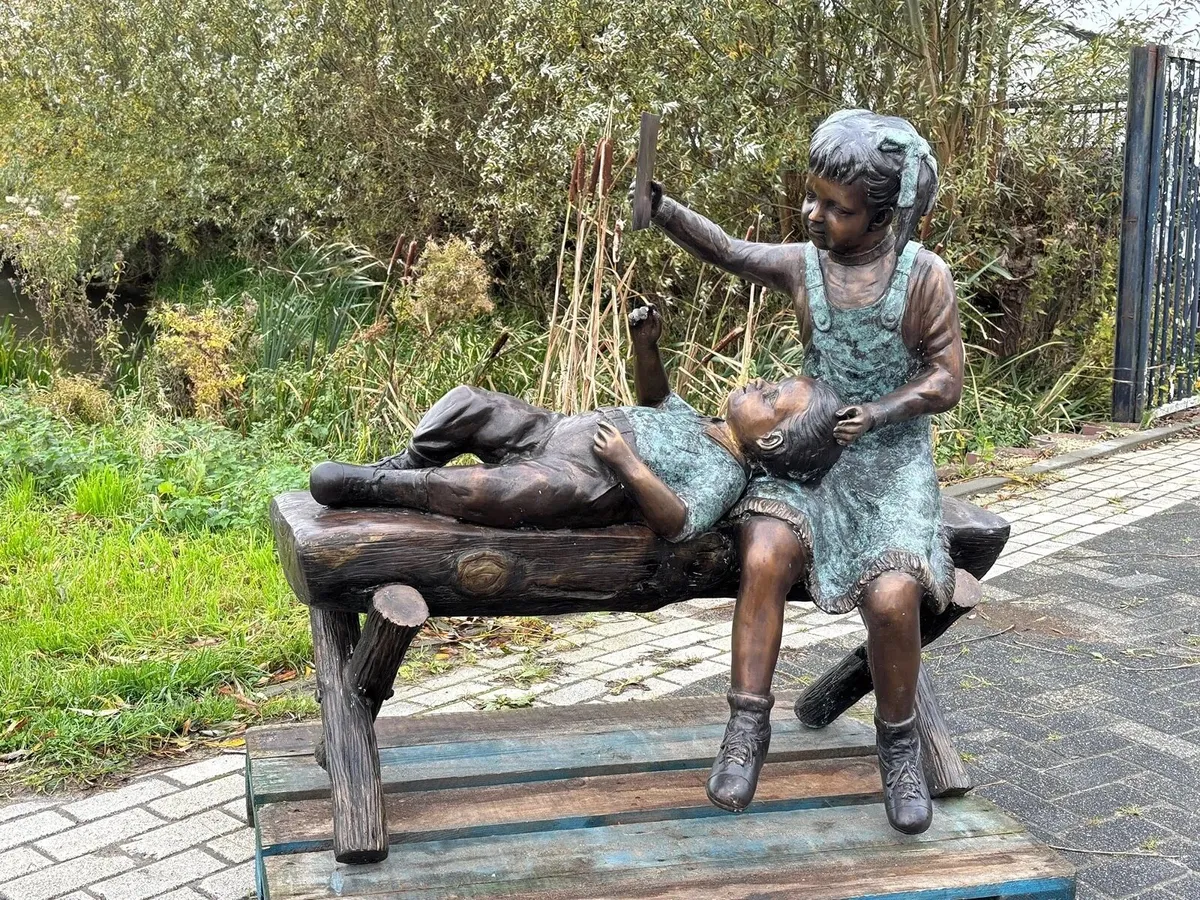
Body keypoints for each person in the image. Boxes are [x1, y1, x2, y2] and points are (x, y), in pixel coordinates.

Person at [641, 109, 964, 834]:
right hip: (810, 453)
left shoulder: (923, 278)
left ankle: (899, 747)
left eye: (836, 208)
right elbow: (728, 251)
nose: (814, 215)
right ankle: (746, 728)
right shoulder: (804, 265)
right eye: (812, 197)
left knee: (893, 597)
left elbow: (946, 379)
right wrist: (663, 209)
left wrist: (880, 411)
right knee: (764, 553)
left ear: (883, 215)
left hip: (889, 463)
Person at [309, 304, 845, 546]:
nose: (759, 382)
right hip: (558, 429)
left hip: (589, 478)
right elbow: (657, 398)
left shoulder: (726, 473)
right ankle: (410, 459)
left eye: (770, 395)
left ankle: (382, 486)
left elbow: (679, 523)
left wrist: (629, 465)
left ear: (769, 437)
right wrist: (646, 347)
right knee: (468, 401)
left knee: (491, 491)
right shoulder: (702, 422)